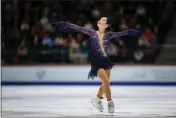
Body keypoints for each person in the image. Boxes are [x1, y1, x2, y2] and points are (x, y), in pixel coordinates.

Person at [54, 17, 139, 114]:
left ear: (107, 25)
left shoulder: (109, 35)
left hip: (106, 62)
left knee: (105, 83)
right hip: (96, 63)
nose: (100, 20)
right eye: (100, 19)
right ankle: (110, 102)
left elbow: (120, 33)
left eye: (103, 20)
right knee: (106, 82)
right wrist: (67, 24)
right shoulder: (92, 32)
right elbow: (78, 28)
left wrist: (129, 31)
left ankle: (97, 98)